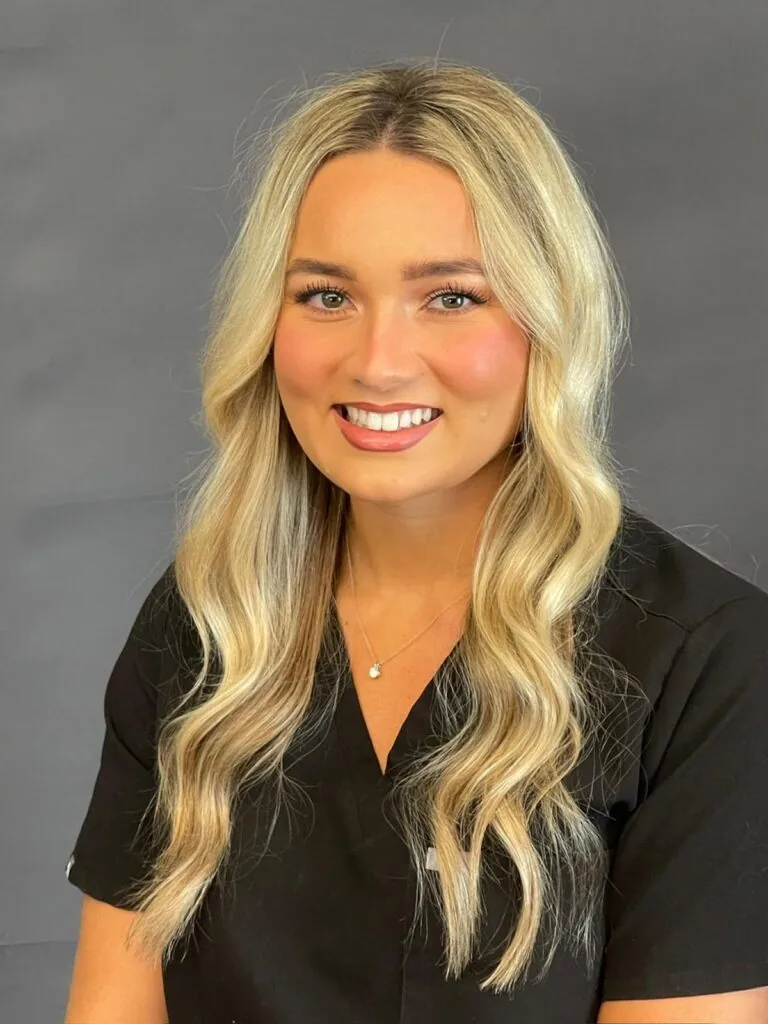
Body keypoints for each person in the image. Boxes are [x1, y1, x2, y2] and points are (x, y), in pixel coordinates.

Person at [64, 60, 768, 1023]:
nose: (378, 361)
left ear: (546, 321)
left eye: (451, 297)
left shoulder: (706, 662)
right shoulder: (206, 626)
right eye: (324, 295)